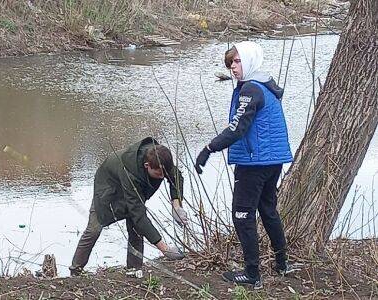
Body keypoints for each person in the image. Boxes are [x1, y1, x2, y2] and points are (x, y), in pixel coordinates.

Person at [195, 41, 295, 288]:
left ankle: (252, 274)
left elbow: (237, 128)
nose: (233, 68)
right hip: (273, 161)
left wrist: (209, 148)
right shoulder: (265, 85)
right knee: (268, 210)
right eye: (230, 64)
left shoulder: (251, 89)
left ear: (250, 60)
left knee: (242, 215)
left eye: (237, 62)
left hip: (254, 162)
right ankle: (282, 264)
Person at [70, 137, 188, 276]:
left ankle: (134, 269)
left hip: (132, 190)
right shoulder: (131, 171)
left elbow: (176, 176)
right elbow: (139, 214)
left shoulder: (161, 158)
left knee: (137, 229)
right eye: (158, 174)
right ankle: (75, 270)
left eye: (164, 174)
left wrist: (176, 206)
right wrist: (165, 249)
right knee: (94, 229)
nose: (162, 177)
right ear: (146, 165)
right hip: (108, 190)